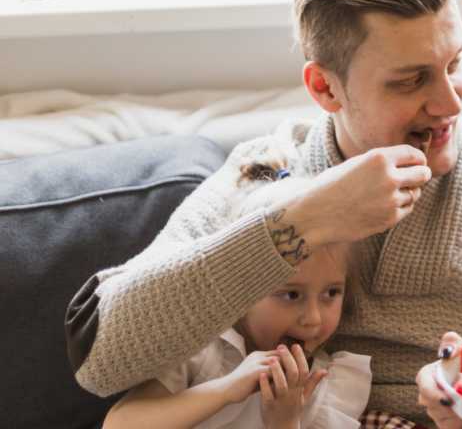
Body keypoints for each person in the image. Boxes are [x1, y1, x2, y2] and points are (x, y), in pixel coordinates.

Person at [65, 0, 462, 425]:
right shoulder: (265, 172)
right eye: (411, 80)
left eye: (455, 62)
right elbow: (100, 361)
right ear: (325, 88)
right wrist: (305, 218)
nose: (451, 102)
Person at [103, 143, 372, 429]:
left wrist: (285, 420)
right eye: (292, 295)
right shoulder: (204, 349)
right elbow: (118, 424)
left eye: (331, 293)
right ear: (240, 288)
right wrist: (227, 389)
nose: (314, 318)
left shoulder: (326, 385)